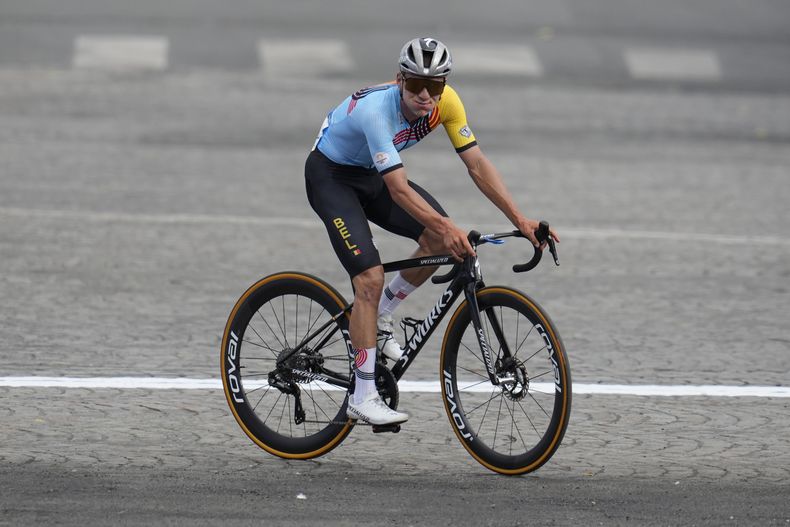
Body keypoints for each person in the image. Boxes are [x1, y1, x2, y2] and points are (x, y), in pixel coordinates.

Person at [304, 37, 559, 426]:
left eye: (435, 86)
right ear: (399, 81)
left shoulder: (447, 104)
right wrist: (446, 225)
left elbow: (476, 164)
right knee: (369, 279)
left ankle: (382, 315)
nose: (426, 95)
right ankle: (363, 394)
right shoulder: (377, 111)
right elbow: (399, 189)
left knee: (439, 241)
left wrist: (519, 220)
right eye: (416, 85)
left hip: (371, 173)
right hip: (331, 177)